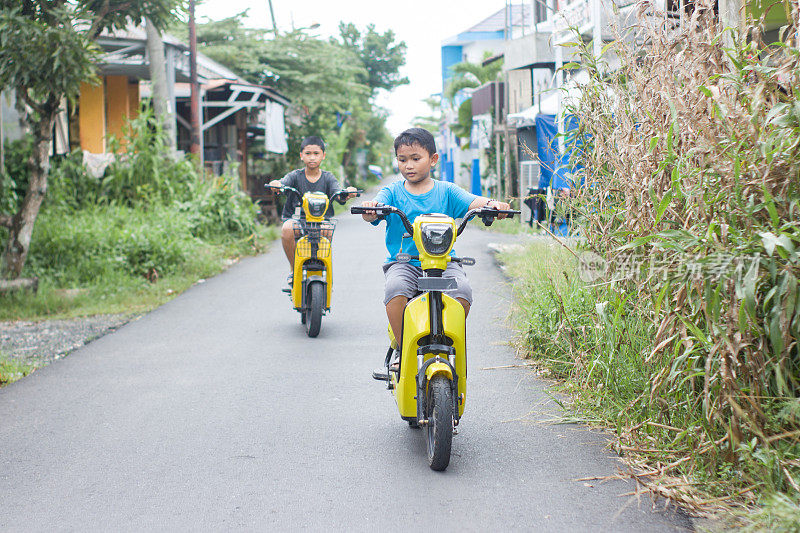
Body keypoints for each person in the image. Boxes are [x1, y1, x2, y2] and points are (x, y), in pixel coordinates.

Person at [359, 127, 510, 371]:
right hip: (404, 263)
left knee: (462, 292)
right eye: (402, 159)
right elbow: (375, 209)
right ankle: (401, 347)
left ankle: (448, 343)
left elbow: (473, 201)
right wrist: (370, 209)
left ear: (433, 159)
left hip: (444, 263)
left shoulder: (446, 191)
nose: (409, 165)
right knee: (395, 289)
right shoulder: (393, 192)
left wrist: (493, 205)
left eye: (415, 159)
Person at [269, 136, 356, 286]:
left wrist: (348, 193)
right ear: (301, 155)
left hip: (321, 221)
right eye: (308, 153)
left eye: (316, 153)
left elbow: (339, 193)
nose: (312, 157)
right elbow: (281, 184)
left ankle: (322, 264)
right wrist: (276, 184)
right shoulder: (295, 176)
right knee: (287, 229)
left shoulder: (328, 178)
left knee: (328, 230)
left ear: (323, 155)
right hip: (297, 220)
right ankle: (293, 268)